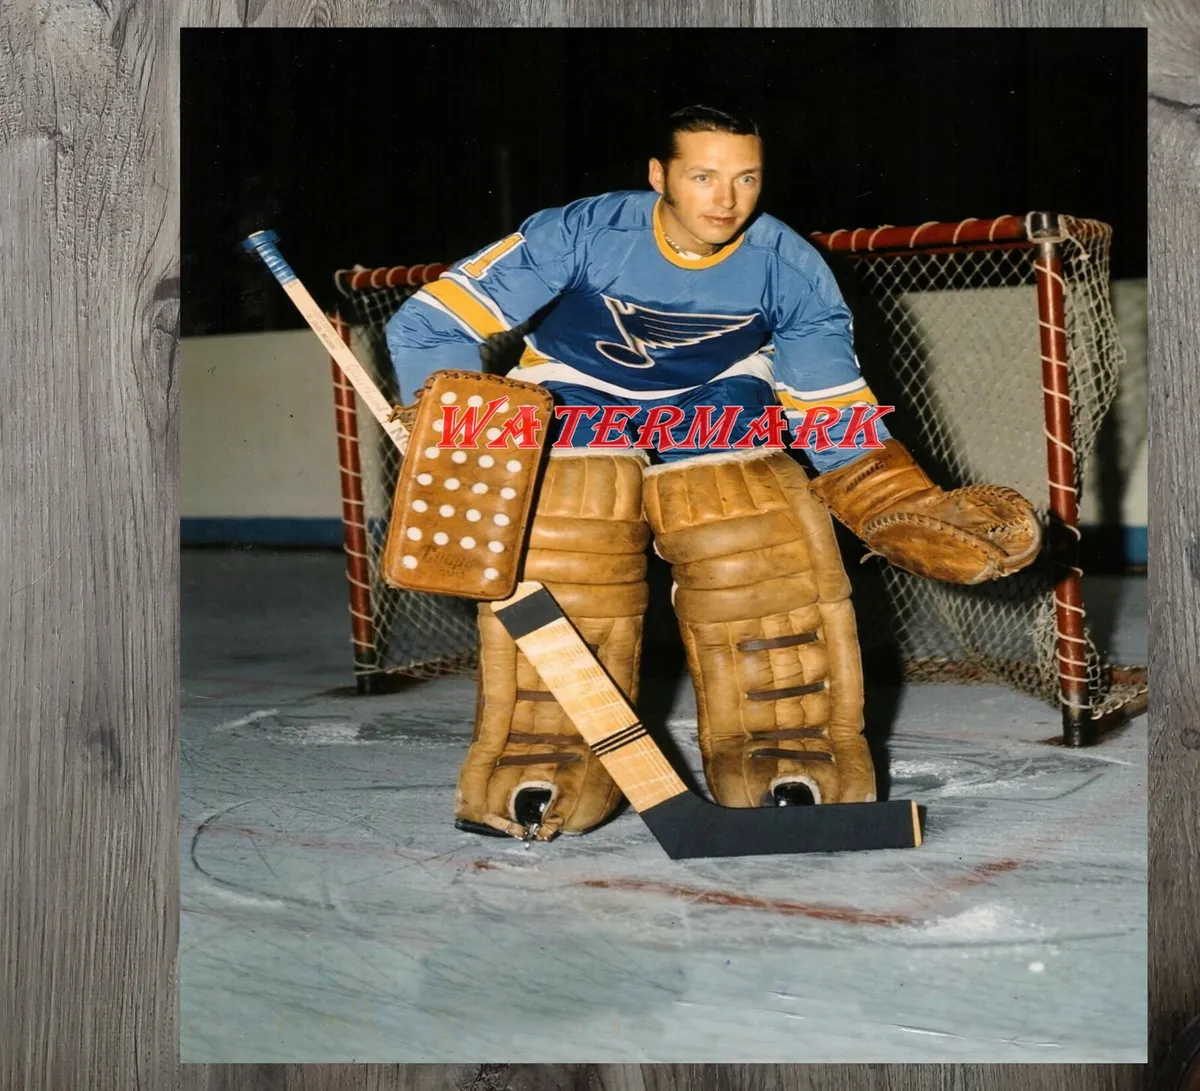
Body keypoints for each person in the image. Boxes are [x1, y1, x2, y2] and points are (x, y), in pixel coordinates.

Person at [385, 105, 1040, 842]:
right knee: (569, 520)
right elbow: (430, 324)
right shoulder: (580, 233)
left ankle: (784, 751)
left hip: (717, 397)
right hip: (573, 390)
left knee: (747, 518)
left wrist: (889, 496)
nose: (725, 200)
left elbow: (826, 402)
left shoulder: (788, 268)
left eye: (745, 179)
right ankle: (549, 752)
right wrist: (457, 441)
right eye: (703, 176)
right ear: (659, 176)